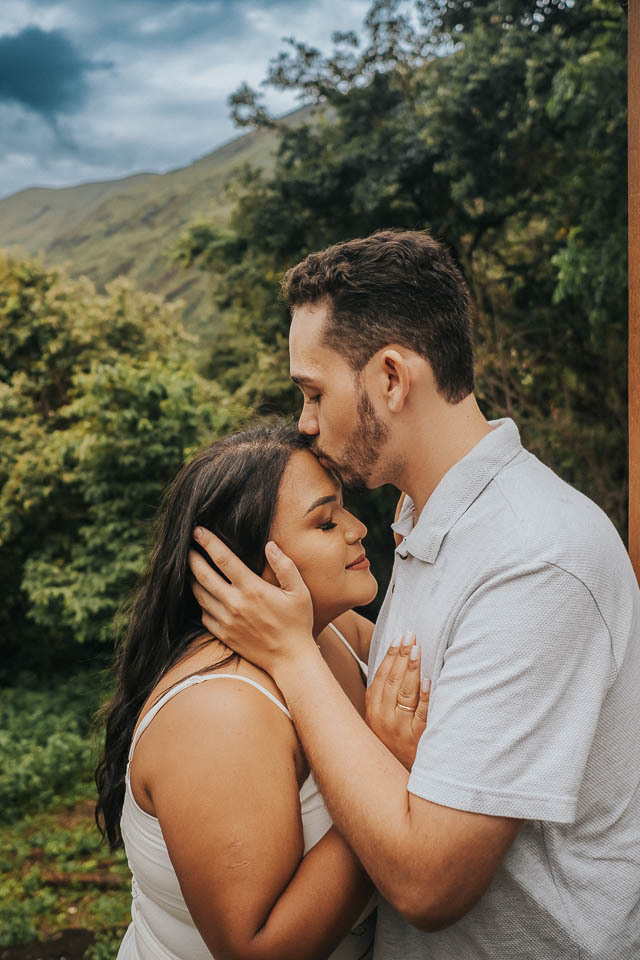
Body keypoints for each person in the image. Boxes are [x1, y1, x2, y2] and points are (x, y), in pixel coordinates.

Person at [189, 230, 640, 960]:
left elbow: (430, 886)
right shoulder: (424, 519)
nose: (304, 421)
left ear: (391, 378)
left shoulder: (534, 559)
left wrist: (292, 656)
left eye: (314, 391)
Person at [95, 421, 430, 960]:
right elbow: (259, 950)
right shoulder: (219, 713)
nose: (356, 529)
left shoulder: (336, 635)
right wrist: (390, 769)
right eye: (324, 523)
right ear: (249, 570)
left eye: (343, 508)